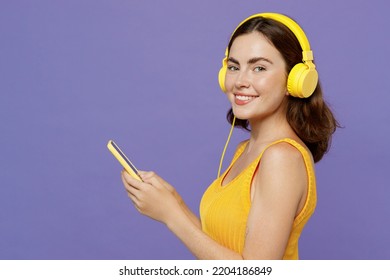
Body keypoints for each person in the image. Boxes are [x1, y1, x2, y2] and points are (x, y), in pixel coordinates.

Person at [121, 13, 338, 259]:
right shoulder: (246, 150)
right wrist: (173, 202)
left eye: (259, 68)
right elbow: (223, 245)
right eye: (234, 67)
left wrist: (172, 216)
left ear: (295, 80)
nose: (240, 81)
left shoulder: (281, 158)